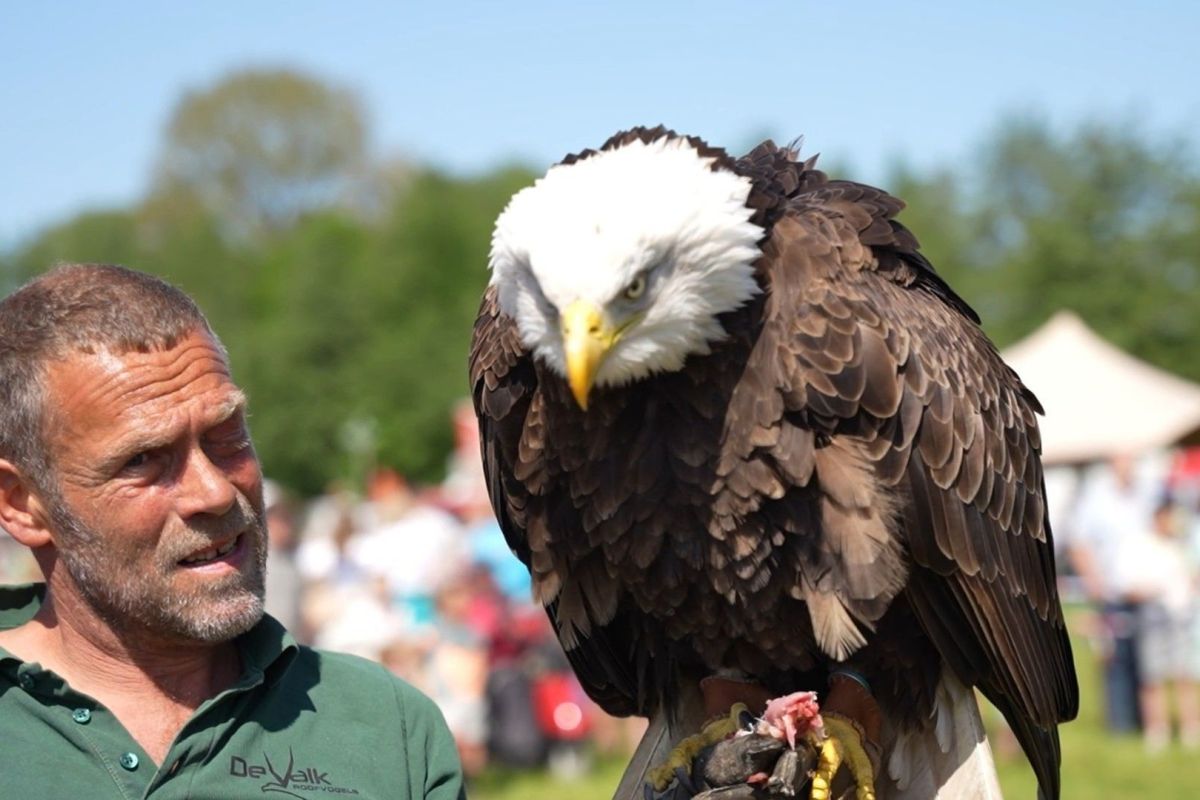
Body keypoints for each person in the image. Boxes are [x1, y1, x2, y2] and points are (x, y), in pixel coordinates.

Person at [0, 264, 465, 799]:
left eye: (228, 436)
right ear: (22, 506)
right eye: (145, 460)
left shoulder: (389, 730)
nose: (217, 491)